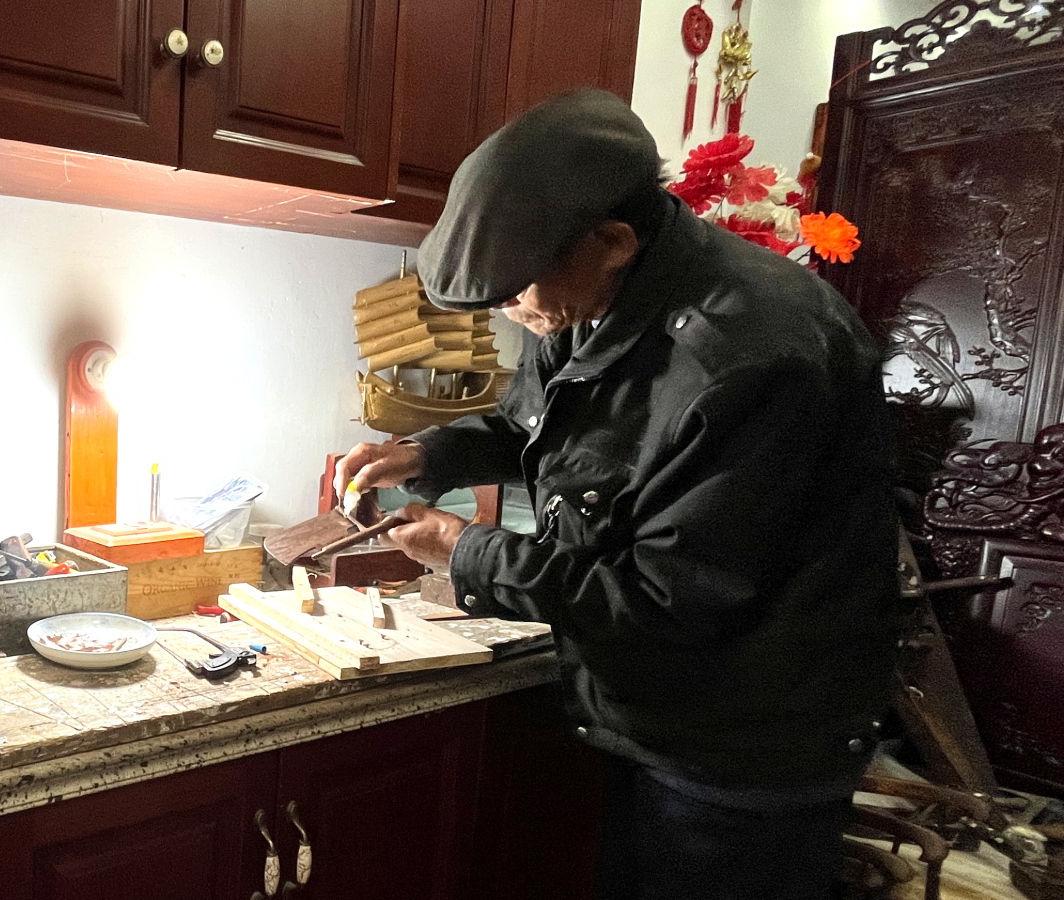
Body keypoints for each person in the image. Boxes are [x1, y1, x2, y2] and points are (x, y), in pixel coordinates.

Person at [335, 89, 900, 900]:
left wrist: (467, 551)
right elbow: (541, 424)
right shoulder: (586, 301)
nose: (510, 312)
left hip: (746, 741)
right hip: (642, 704)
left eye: (516, 290)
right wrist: (424, 455)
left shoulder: (751, 357)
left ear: (611, 241)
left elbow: (664, 600)